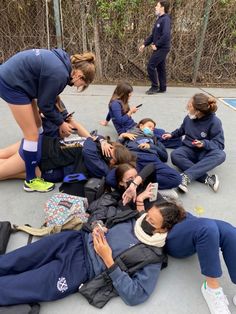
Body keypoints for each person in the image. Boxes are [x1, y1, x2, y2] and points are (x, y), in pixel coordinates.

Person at [0, 201, 185, 306]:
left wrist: (108, 260)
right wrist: (98, 226)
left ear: (163, 230)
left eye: (152, 222)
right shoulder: (134, 217)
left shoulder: (152, 257)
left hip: (82, 269)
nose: (145, 220)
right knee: (18, 259)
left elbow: (136, 295)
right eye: (147, 215)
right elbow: (104, 210)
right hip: (74, 240)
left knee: (26, 284)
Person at [0, 48, 95, 192]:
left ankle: (32, 155)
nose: (78, 87)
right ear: (79, 75)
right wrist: (61, 123)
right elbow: (44, 104)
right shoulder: (60, 75)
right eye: (81, 85)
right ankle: (31, 181)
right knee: (31, 134)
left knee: (38, 126)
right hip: (13, 84)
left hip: (20, 83)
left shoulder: (62, 63)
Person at [0, 136, 134, 183]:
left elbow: (87, 148)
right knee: (3, 158)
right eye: (111, 149)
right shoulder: (98, 146)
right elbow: (92, 136)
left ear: (114, 162)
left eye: (112, 156)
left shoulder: (99, 164)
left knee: (5, 173)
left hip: (44, 158)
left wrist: (99, 140)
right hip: (42, 146)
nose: (108, 153)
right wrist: (101, 140)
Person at [162, 93, 226, 193]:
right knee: (175, 155)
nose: (188, 106)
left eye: (190, 105)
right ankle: (208, 178)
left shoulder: (215, 122)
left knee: (221, 155)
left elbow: (219, 144)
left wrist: (204, 143)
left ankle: (186, 176)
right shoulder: (189, 118)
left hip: (204, 153)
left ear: (198, 111)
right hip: (189, 150)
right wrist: (172, 135)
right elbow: (182, 130)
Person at [100, 81, 181, 148]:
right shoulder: (115, 104)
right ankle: (179, 143)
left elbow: (111, 112)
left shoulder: (119, 101)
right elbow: (120, 121)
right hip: (128, 130)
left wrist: (106, 121)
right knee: (156, 137)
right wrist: (130, 112)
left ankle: (176, 138)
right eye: (129, 94)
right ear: (123, 94)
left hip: (133, 126)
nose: (130, 96)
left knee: (160, 131)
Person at [117, 118, 181, 195]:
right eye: (149, 126)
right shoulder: (130, 135)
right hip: (136, 158)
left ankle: (142, 185)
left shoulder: (154, 140)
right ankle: (151, 189)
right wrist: (122, 135)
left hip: (153, 160)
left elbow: (165, 157)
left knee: (176, 179)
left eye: (153, 129)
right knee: (125, 180)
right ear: (141, 126)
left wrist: (151, 146)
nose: (151, 129)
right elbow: (117, 150)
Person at [139, 1, 171, 95]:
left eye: (157, 6)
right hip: (159, 47)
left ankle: (154, 87)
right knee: (161, 67)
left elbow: (166, 35)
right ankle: (162, 87)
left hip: (162, 48)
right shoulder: (159, 19)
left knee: (150, 66)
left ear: (162, 7)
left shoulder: (166, 19)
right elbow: (153, 35)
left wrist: (157, 44)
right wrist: (144, 44)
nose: (155, 7)